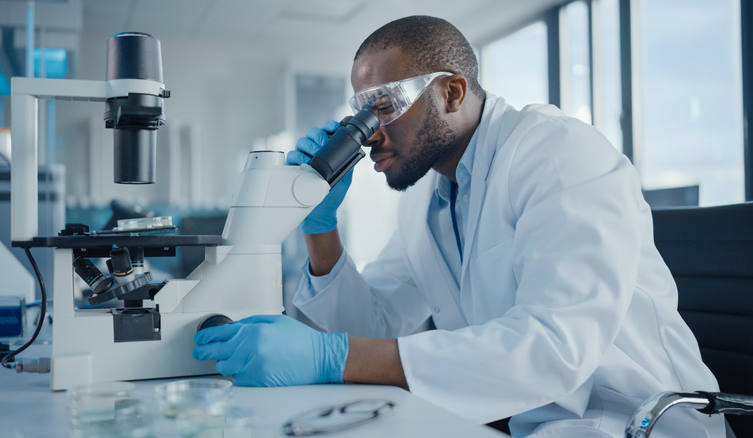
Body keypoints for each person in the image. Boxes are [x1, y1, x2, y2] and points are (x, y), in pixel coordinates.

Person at [193, 15, 727, 437]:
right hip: (529, 420)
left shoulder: (558, 154)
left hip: (638, 421)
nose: (368, 134)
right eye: (358, 112)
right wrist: (319, 227)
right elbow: (377, 326)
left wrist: (331, 357)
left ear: (451, 92)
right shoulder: (427, 194)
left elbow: (554, 347)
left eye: (384, 106)